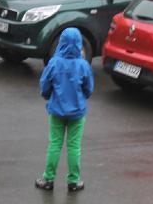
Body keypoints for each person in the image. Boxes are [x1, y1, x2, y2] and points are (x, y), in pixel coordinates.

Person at [36, 28, 94, 193]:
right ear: (79, 44)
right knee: (74, 146)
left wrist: (48, 96)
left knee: (55, 144)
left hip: (57, 111)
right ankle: (74, 181)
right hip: (77, 113)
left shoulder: (54, 63)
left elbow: (45, 87)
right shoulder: (83, 65)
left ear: (61, 42)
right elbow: (89, 89)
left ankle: (48, 179)